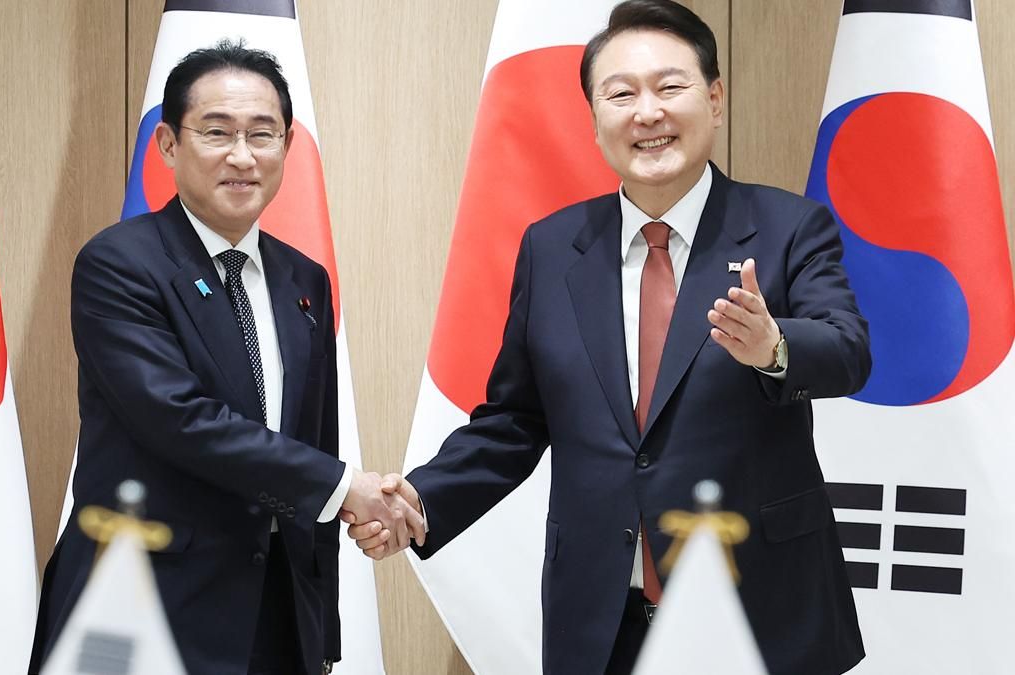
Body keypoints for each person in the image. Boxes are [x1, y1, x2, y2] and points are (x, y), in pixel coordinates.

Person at [349, 2, 869, 673]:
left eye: (670, 87)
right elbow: (516, 417)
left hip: (757, 609)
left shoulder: (787, 227)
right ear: (595, 121)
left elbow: (848, 350)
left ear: (714, 100)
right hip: (600, 619)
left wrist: (773, 347)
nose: (646, 112)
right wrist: (423, 498)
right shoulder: (553, 248)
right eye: (620, 94)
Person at [29, 41, 420, 675]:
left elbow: (313, 442)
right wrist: (348, 488)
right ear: (168, 145)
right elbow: (181, 420)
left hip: (275, 616)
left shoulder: (305, 281)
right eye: (217, 132)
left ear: (288, 147)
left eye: (263, 135)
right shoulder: (120, 264)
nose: (243, 156)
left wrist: (321, 631)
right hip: (145, 603)